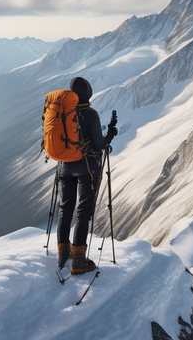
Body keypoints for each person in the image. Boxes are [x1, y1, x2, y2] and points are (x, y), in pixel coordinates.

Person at [56, 77, 118, 275]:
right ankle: (79, 260)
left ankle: (62, 253)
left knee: (65, 209)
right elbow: (99, 144)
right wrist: (110, 135)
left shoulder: (64, 112)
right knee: (82, 212)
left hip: (64, 167)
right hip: (86, 169)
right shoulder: (90, 114)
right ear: (88, 93)